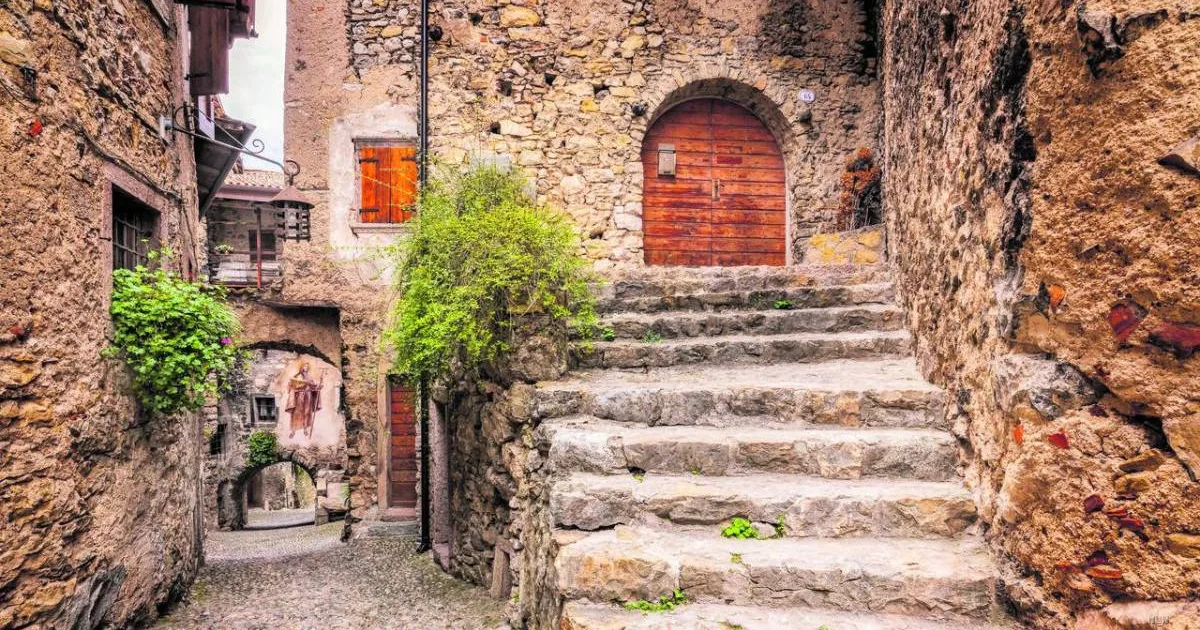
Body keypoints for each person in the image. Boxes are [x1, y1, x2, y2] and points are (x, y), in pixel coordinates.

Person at [285, 362, 323, 439]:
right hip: (299, 396)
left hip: (308, 396)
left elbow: (314, 386)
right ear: (301, 367)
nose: (306, 368)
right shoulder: (297, 376)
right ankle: (293, 431)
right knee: (297, 413)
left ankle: (305, 429)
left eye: (307, 367)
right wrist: (303, 383)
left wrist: (320, 383)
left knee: (306, 412)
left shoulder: (309, 377)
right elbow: (292, 385)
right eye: (305, 366)